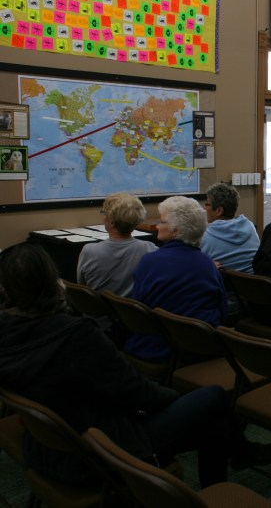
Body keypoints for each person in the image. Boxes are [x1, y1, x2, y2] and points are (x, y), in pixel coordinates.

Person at [0, 242, 231, 487]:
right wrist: (175, 397)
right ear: (53, 280)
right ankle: (217, 488)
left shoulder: (8, 333)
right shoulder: (76, 336)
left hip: (47, 448)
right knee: (214, 399)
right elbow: (137, 393)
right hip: (102, 452)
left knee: (207, 414)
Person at [129, 196, 227, 363]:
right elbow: (222, 312)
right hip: (198, 347)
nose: (157, 226)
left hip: (156, 348)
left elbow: (138, 308)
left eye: (162, 222)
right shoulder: (208, 265)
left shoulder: (149, 261)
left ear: (176, 230)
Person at [76, 192, 157, 296]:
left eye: (104, 213)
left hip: (97, 311)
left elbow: (82, 287)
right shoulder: (150, 249)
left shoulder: (89, 251)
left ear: (111, 222)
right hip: (131, 311)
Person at [200, 182, 260, 273]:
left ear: (219, 211)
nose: (204, 208)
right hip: (254, 283)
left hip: (224, 285)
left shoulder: (205, 235)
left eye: (207, 204)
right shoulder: (250, 226)